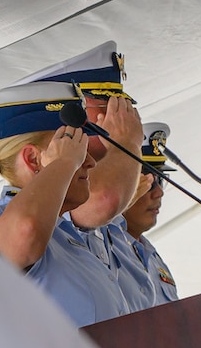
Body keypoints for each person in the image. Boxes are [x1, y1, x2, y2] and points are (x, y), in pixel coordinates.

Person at [0, 81, 131, 327]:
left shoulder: (64, 236)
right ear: (33, 159)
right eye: (76, 149)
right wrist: (62, 164)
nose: (90, 163)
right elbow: (25, 230)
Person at [13, 43, 146, 278]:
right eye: (107, 105)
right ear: (72, 114)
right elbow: (104, 198)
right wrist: (127, 143)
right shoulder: (47, 203)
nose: (123, 117)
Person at [105, 122, 179, 310]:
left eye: (161, 180)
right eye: (146, 181)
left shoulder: (153, 257)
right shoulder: (101, 249)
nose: (159, 193)